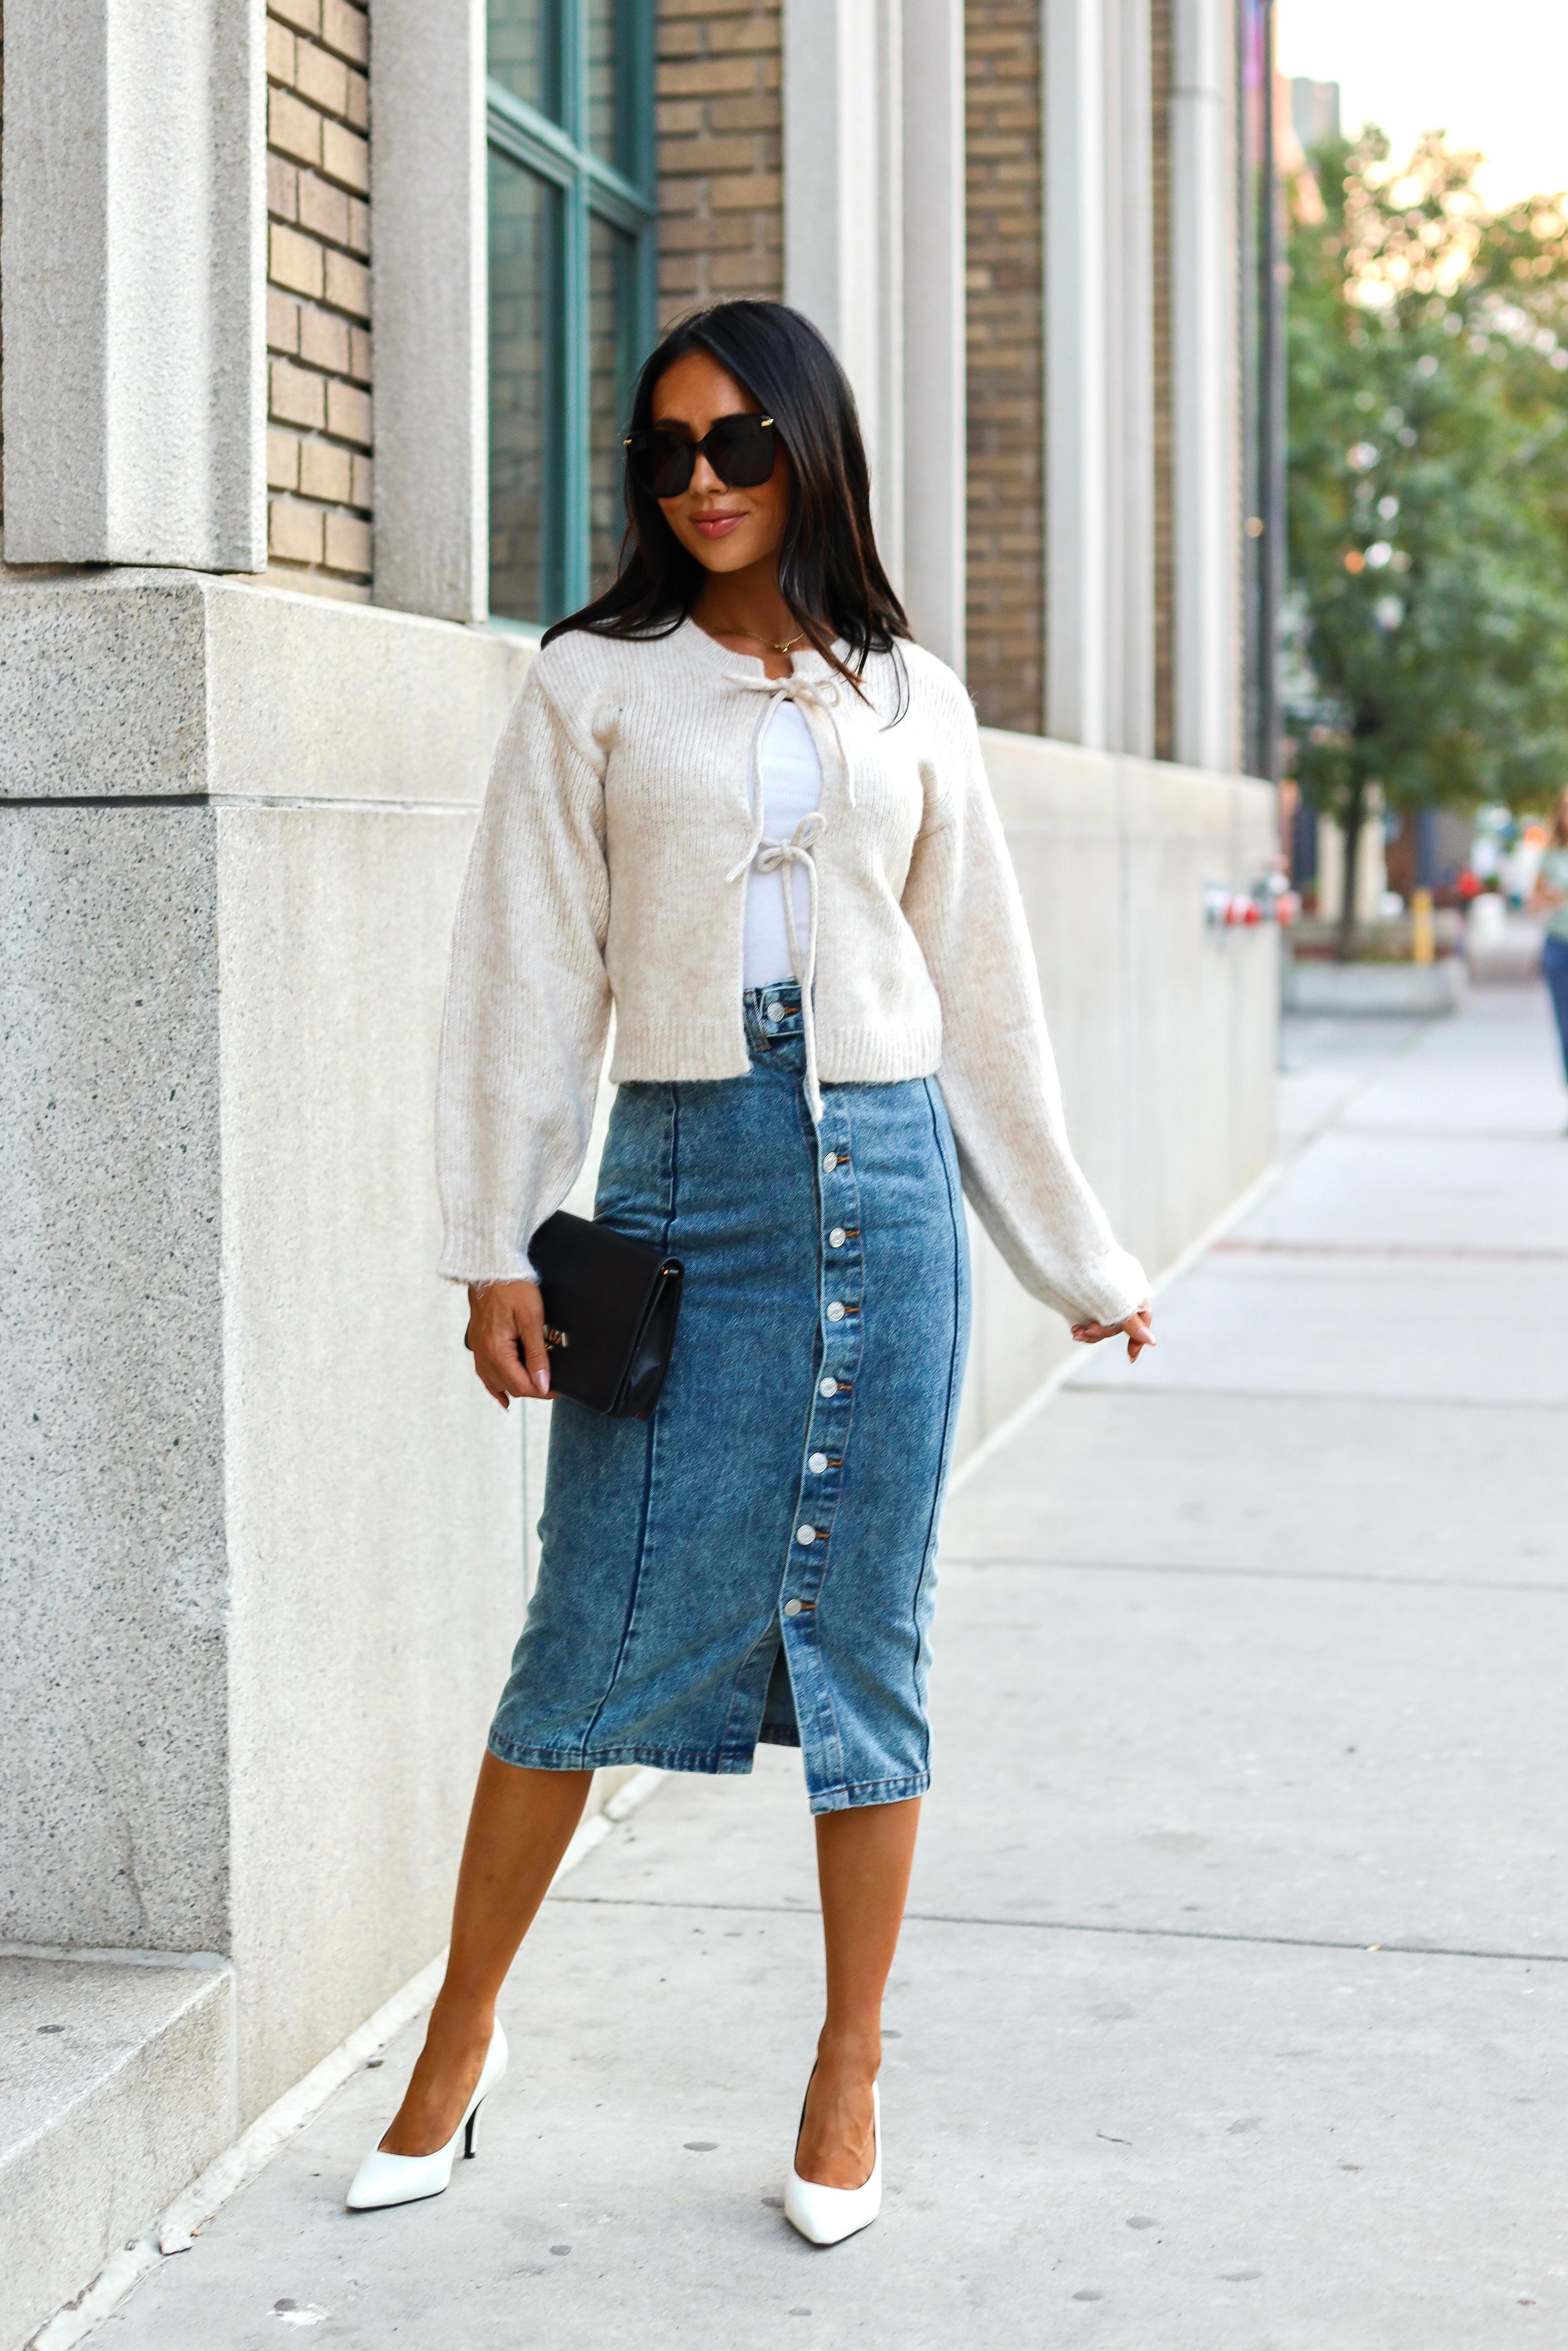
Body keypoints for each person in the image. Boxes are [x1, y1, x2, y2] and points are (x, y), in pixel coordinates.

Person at [347, 300, 1153, 2246]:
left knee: (869, 1640)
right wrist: (491, 1244)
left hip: (881, 1193)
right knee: (581, 1631)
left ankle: (846, 2066)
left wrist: (1074, 1249)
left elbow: (988, 1007)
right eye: (666, 454)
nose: (697, 483)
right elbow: (523, 986)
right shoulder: (592, 685)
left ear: (809, 450)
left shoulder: (909, 695)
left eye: (736, 446)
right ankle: (456, 2045)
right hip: (680, 1185)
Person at [1534, 788, 1568, 1108]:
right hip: (1559, 948)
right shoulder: (1553, 856)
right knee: (1567, 1028)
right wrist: (1550, 898)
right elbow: (1533, 903)